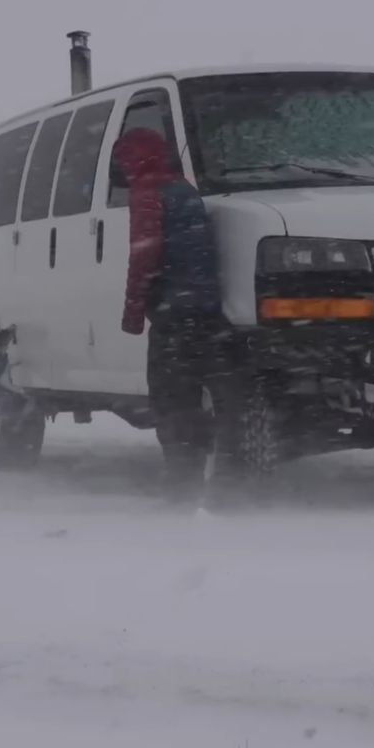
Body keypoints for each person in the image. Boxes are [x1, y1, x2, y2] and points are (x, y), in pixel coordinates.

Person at [114, 127, 226, 483]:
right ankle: (211, 469)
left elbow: (144, 256)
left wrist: (133, 312)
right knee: (198, 395)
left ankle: (183, 476)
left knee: (170, 397)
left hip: (173, 311)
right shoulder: (184, 188)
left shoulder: (147, 191)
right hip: (206, 309)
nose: (121, 168)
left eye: (123, 160)